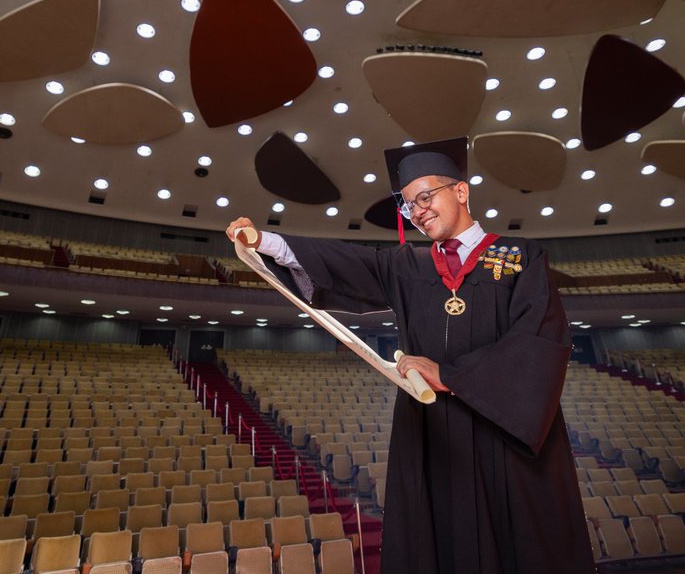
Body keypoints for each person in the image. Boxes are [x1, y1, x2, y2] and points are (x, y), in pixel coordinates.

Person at [226, 137, 592, 574]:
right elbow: (342, 262)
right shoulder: (407, 266)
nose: (417, 211)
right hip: (432, 432)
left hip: (503, 436)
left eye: (425, 197)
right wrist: (264, 241)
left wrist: (452, 374)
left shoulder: (518, 258)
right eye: (409, 205)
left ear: (461, 191)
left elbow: (539, 341)